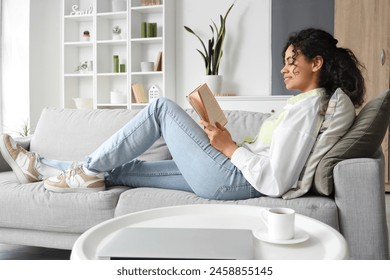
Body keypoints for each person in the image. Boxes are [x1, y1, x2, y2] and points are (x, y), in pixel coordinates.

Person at [0, 28, 365, 199]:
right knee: (127, 171)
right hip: (231, 172)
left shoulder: (309, 109)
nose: (283, 69)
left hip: (235, 181)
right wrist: (224, 138)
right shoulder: (300, 105)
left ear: (316, 62)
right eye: (283, 63)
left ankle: (85, 169)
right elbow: (268, 156)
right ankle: (44, 167)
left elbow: (274, 181)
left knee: (159, 107)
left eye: (291, 62)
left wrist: (227, 149)